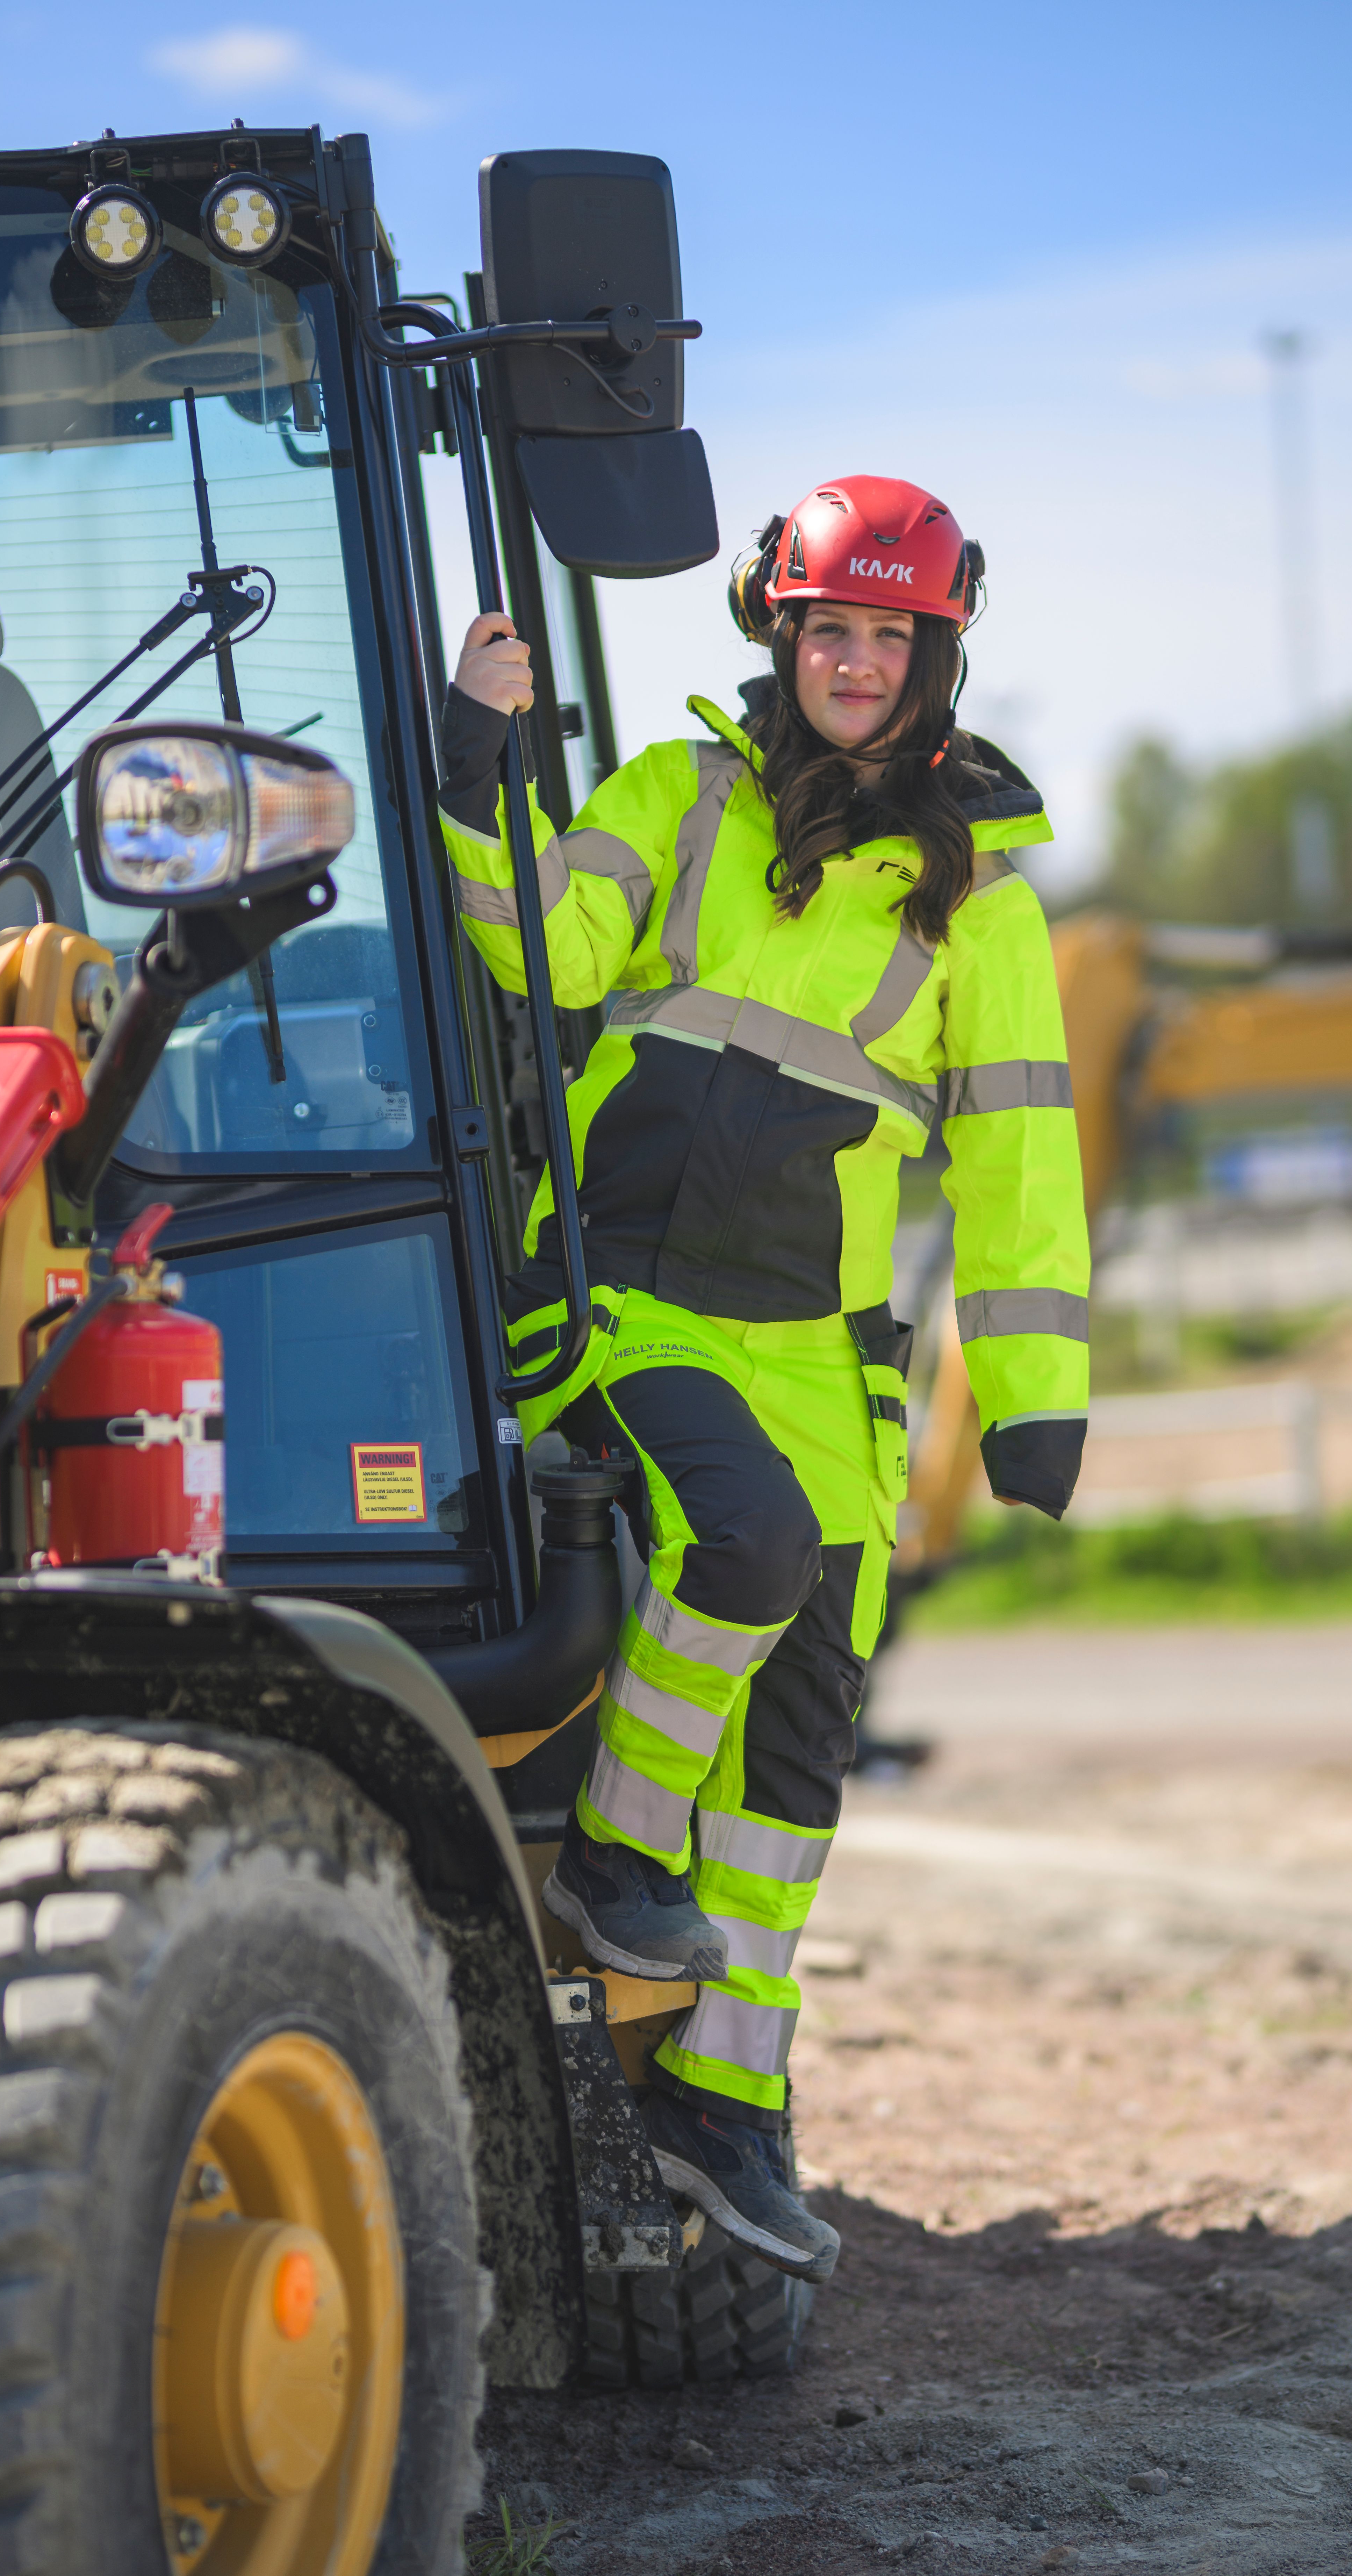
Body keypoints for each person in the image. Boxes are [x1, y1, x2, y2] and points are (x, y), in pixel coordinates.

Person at [438, 474, 1089, 2282]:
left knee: (800, 1750)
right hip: (627, 1299)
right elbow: (536, 942)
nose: (856, 664)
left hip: (826, 1353)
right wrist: (472, 759)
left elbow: (1019, 1163)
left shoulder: (987, 902)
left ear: (936, 654)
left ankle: (724, 2101)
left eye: (890, 635)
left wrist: (1035, 1388)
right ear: (777, 634)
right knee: (741, 1547)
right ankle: (619, 1853)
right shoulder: (675, 795)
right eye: (828, 630)